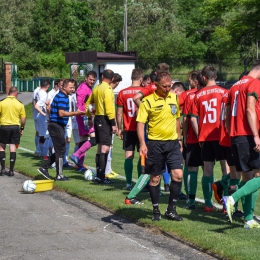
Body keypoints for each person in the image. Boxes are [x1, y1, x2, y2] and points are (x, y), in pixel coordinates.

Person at [137, 72, 183, 221]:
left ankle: (171, 210)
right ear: (156, 85)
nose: (168, 89)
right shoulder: (147, 102)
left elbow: (177, 119)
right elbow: (141, 123)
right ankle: (156, 210)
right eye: (164, 86)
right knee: (155, 178)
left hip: (173, 144)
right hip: (155, 144)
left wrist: (179, 138)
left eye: (169, 86)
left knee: (178, 175)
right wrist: (143, 144)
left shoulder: (174, 97)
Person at [222, 60, 260, 228]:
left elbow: (228, 114)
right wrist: (256, 135)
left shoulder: (235, 85)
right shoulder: (254, 83)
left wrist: (232, 134)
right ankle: (232, 198)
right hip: (248, 135)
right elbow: (250, 109)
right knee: (257, 176)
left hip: (236, 136)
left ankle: (249, 219)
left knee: (248, 177)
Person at [190, 65, 228, 212]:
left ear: (204, 78)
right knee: (226, 170)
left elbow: (193, 119)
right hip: (221, 135)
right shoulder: (224, 93)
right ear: (216, 77)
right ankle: (227, 205)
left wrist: (199, 134)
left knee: (207, 170)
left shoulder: (198, 95)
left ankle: (208, 204)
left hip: (205, 137)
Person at [37, 79, 84, 181]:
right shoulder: (62, 97)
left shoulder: (62, 96)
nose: (73, 89)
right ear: (64, 87)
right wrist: (76, 113)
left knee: (61, 149)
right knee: (60, 150)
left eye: (74, 87)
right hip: (56, 126)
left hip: (56, 126)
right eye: (71, 87)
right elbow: (61, 113)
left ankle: (45, 167)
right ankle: (58, 174)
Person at [85, 69, 119, 184]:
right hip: (105, 120)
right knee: (105, 148)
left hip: (97, 119)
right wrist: (113, 124)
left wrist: (89, 116)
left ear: (102, 76)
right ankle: (102, 177)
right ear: (112, 78)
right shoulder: (108, 89)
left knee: (100, 148)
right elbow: (109, 108)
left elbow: (88, 103)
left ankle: (99, 175)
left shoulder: (97, 88)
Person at [116, 68, 144, 191]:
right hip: (141, 127)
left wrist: (119, 128)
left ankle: (128, 183)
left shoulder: (122, 92)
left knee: (128, 155)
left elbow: (119, 113)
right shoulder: (144, 91)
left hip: (128, 127)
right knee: (142, 155)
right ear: (141, 79)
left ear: (131, 78)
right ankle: (140, 183)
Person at [70, 71, 97, 170]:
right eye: (90, 79)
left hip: (84, 116)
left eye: (93, 80)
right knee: (94, 139)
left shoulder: (88, 88)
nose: (92, 81)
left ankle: (80, 164)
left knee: (83, 140)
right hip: (84, 116)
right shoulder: (82, 89)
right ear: (86, 78)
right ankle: (75, 155)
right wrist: (86, 116)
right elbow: (80, 104)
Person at [0, 87, 26, 176]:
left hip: (4, 126)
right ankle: (11, 171)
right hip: (15, 127)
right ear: (16, 93)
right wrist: (22, 128)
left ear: (9, 93)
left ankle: (3, 169)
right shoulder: (20, 104)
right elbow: (23, 119)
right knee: (12, 147)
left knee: (1, 147)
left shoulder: (2, 102)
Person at [34, 80, 50, 157]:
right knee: (44, 135)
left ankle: (41, 152)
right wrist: (43, 113)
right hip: (42, 116)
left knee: (41, 134)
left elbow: (34, 102)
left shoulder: (37, 91)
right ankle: (44, 154)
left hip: (38, 115)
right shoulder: (44, 94)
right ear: (47, 86)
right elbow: (36, 105)